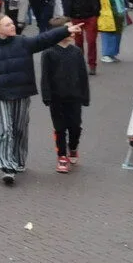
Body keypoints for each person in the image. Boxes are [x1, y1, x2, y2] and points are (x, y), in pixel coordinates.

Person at [0, 13, 82, 185]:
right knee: (5, 130)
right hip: (1, 93)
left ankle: (18, 160)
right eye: (7, 25)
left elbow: (44, 39)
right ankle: (7, 167)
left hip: (21, 91)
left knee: (19, 129)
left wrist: (65, 30)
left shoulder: (22, 42)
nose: (12, 26)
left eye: (12, 23)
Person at [41, 16, 91, 173]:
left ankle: (73, 147)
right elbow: (45, 76)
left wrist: (85, 95)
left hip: (75, 97)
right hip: (56, 98)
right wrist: (47, 96)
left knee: (75, 127)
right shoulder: (48, 53)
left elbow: (83, 75)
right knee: (60, 128)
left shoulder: (76, 52)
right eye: (70, 28)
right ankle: (62, 156)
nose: (74, 31)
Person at [61, 0, 101, 75]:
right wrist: (67, 13)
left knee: (91, 41)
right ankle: (80, 64)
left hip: (90, 16)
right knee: (78, 43)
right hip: (75, 16)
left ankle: (92, 65)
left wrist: (96, 12)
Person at [98, 0, 126, 64]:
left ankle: (112, 54)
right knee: (108, 35)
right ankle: (106, 55)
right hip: (107, 17)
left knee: (116, 36)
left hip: (117, 17)